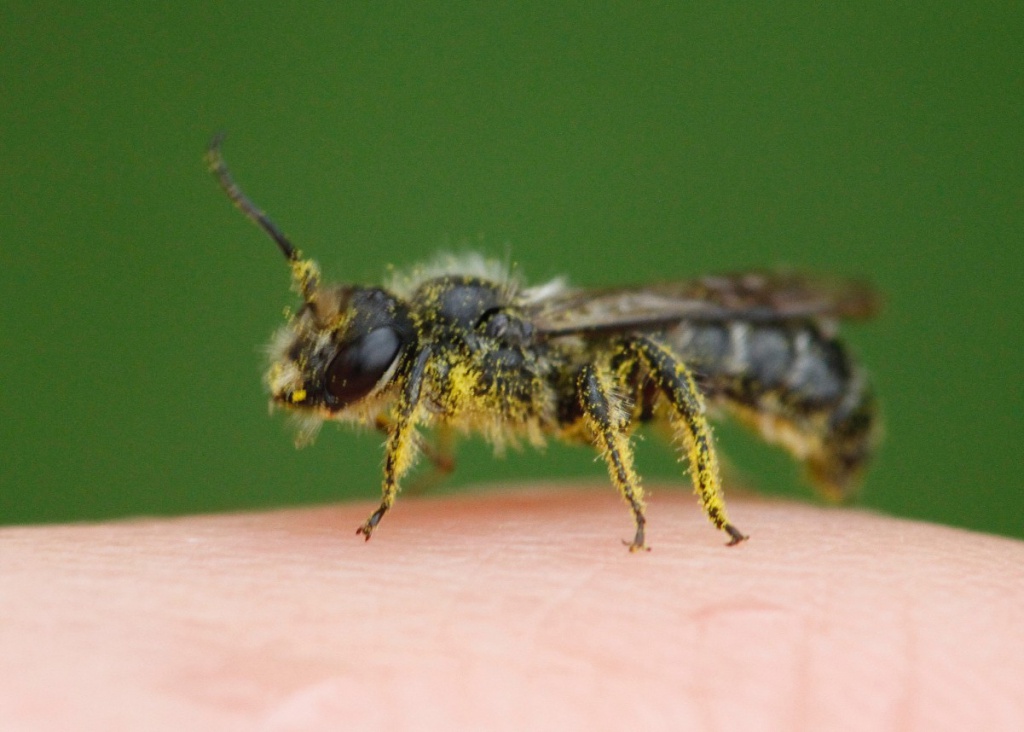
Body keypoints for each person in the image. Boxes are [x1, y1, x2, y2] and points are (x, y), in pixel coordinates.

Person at [2, 486, 1023, 730]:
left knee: (646, 364)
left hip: (743, 369)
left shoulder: (486, 351)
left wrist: (662, 507)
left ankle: (703, 499)